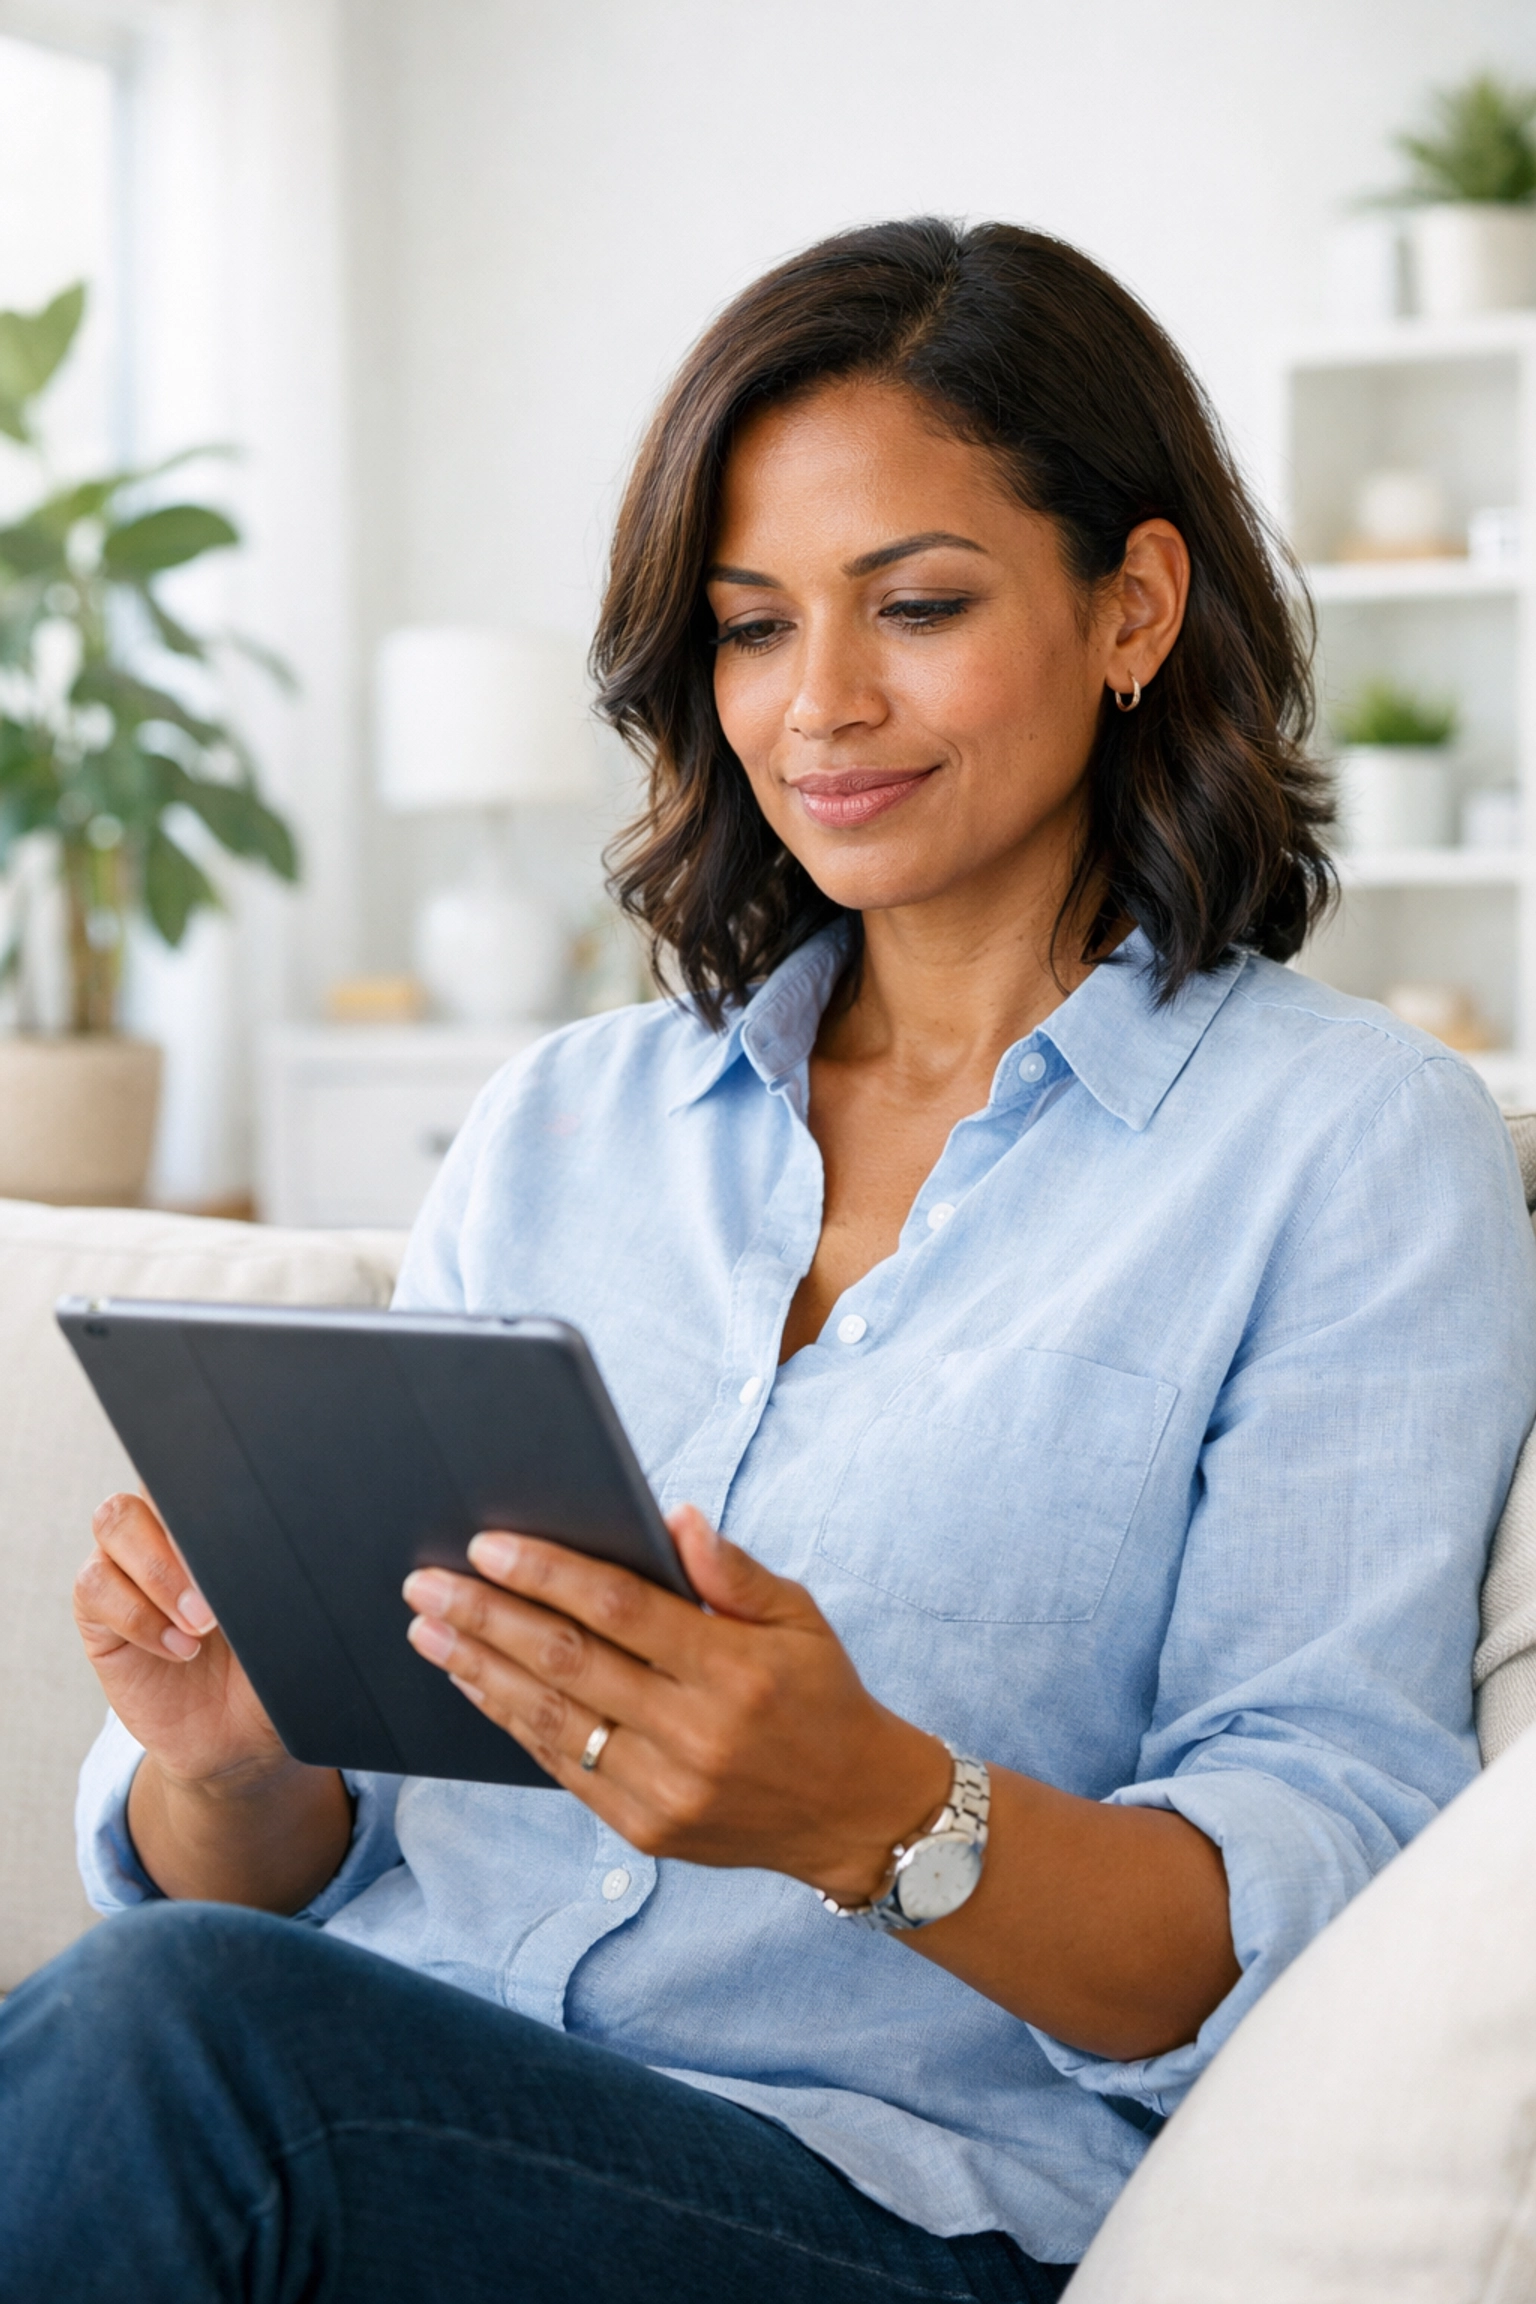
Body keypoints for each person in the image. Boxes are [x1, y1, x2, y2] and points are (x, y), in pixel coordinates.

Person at [3, 218, 1532, 2304]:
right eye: (745, 626)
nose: (818, 706)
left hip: (875, 2218)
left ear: (1135, 607)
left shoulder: (1347, 1150)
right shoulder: (567, 1123)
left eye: (915, 605)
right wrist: (241, 1761)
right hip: (373, 2130)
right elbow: (271, 1885)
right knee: (181, 2009)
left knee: (175, 2045)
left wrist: (878, 1814)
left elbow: (1315, 1871)